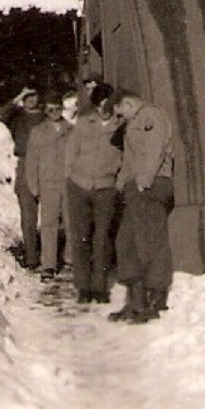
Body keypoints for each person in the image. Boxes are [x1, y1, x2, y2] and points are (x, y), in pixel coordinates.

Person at [107, 89, 175, 324]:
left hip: (152, 185)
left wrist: (144, 181)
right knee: (126, 242)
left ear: (127, 103)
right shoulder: (134, 121)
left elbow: (154, 150)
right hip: (135, 189)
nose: (120, 117)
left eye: (120, 111)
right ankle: (135, 303)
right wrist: (119, 186)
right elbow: (129, 159)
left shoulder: (149, 116)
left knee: (150, 242)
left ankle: (155, 301)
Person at [65, 83, 122, 304]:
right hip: (79, 186)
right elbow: (71, 152)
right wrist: (71, 176)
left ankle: (100, 287)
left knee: (102, 239)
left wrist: (117, 181)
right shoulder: (83, 124)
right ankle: (83, 287)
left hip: (105, 188)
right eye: (100, 105)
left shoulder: (120, 127)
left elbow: (125, 158)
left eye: (108, 104)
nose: (104, 109)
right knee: (81, 238)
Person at [25, 96, 73, 282]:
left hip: (68, 183)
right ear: (46, 111)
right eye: (51, 110)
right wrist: (34, 185)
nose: (55, 113)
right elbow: (31, 161)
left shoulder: (71, 130)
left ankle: (70, 259)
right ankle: (48, 265)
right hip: (48, 184)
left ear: (62, 109)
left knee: (71, 223)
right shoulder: (38, 132)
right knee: (48, 225)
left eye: (58, 109)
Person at [0, 86, 44, 270]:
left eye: (34, 94)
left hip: (46, 165)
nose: (31, 99)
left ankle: (51, 258)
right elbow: (1, 115)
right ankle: (32, 258)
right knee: (28, 215)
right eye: (28, 96)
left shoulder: (46, 116)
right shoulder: (18, 117)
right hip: (25, 165)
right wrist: (19, 96)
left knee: (51, 215)